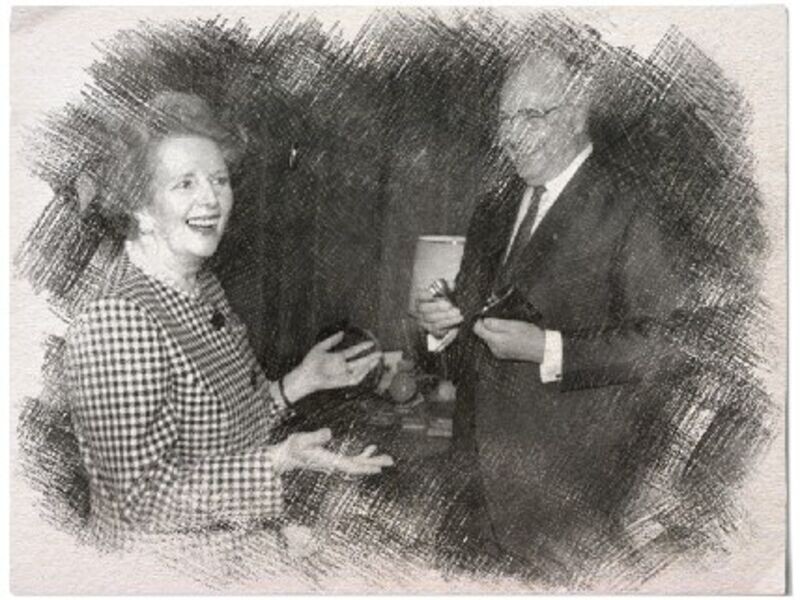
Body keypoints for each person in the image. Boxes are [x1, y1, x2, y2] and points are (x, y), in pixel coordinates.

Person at [65, 91, 393, 544]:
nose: (212, 199)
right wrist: (277, 461)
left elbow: (228, 429)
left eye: (219, 180)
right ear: (140, 207)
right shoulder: (117, 320)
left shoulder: (200, 286)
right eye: (185, 184)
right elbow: (137, 503)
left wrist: (302, 381)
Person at [412, 49, 685, 573]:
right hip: (472, 487)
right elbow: (466, 342)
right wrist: (440, 328)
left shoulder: (632, 206)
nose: (510, 136)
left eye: (531, 115)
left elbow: (663, 347)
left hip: (567, 499)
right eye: (504, 119)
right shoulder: (493, 209)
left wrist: (548, 349)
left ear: (577, 115)